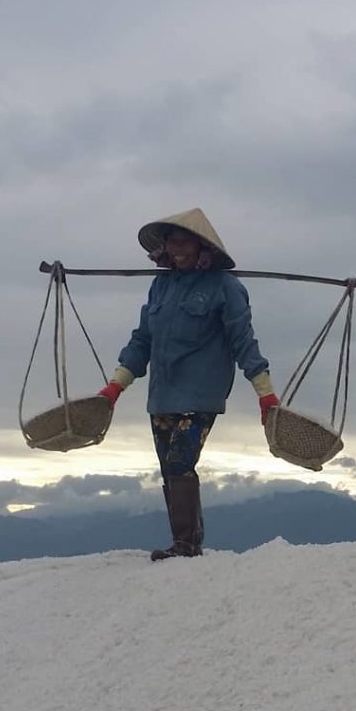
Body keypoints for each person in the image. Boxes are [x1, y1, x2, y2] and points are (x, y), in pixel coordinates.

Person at [98, 208, 279, 560]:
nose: (177, 249)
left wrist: (266, 394)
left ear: (200, 247)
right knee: (169, 466)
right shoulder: (161, 285)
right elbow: (142, 341)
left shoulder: (225, 288)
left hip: (200, 394)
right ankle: (186, 540)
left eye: (184, 242)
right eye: (171, 242)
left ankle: (185, 544)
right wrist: (115, 387)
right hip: (163, 394)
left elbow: (244, 342)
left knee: (181, 460)